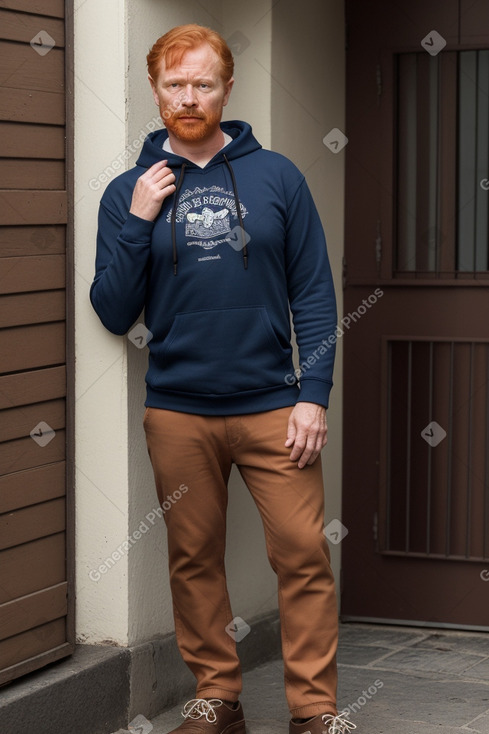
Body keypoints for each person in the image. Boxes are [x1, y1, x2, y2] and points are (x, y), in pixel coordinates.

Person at [90, 23, 355, 734]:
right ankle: (217, 698)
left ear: (226, 88)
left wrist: (312, 394)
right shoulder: (128, 191)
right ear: (154, 90)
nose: (187, 96)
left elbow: (315, 296)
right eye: (174, 84)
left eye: (202, 83)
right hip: (178, 409)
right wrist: (140, 220)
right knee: (192, 558)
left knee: (302, 555)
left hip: (275, 405)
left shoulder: (278, 178)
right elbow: (112, 310)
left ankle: (315, 712)